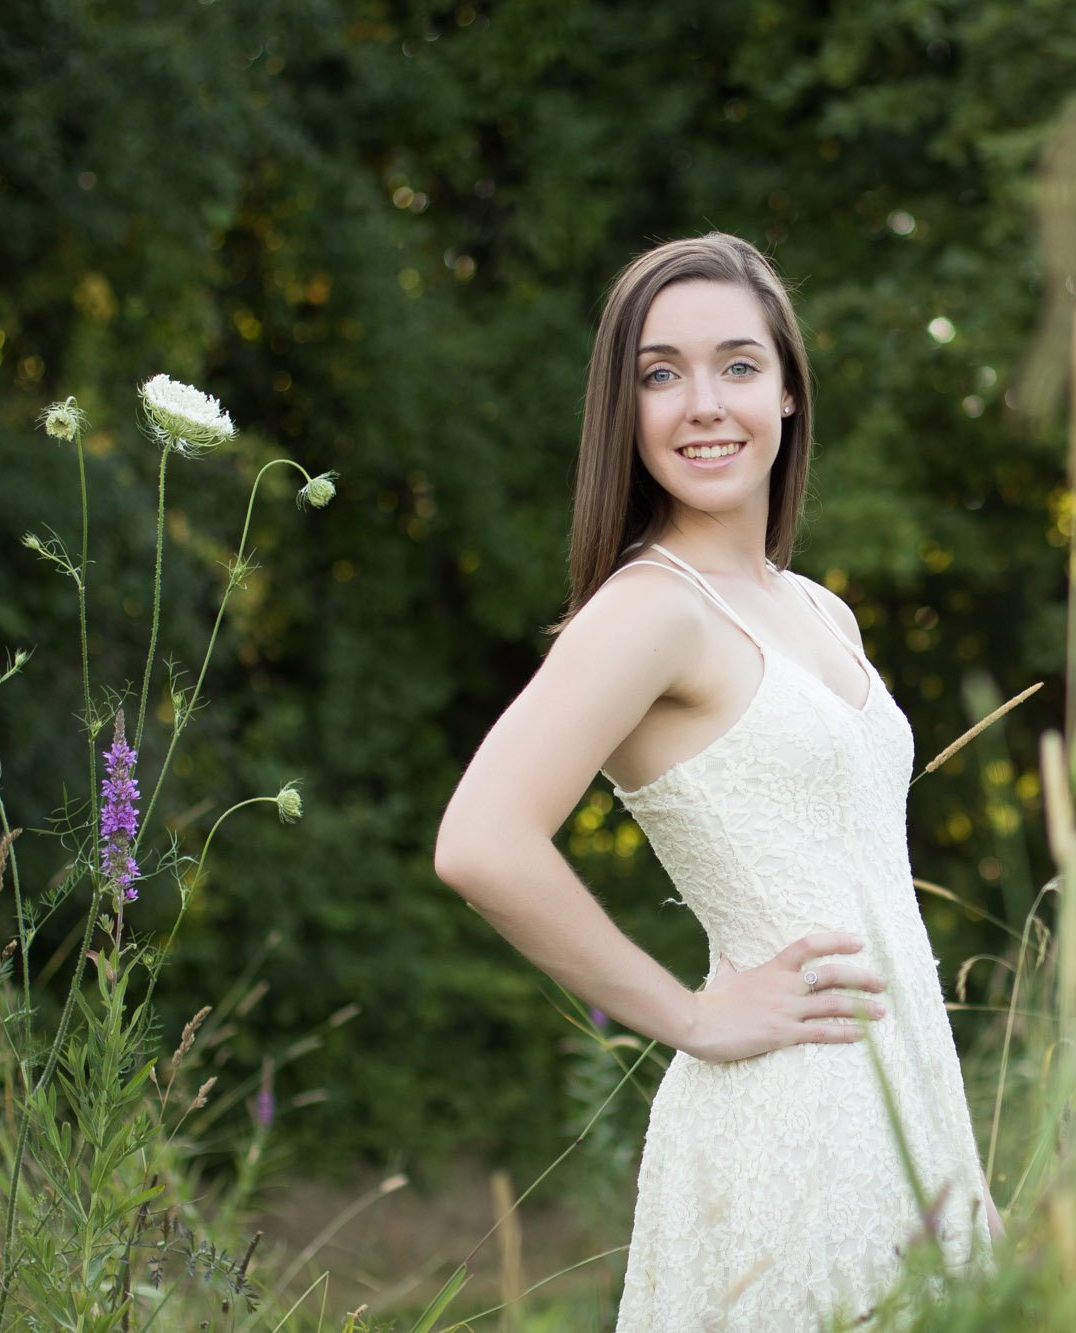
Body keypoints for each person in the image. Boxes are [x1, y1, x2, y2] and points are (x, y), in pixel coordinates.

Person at [434, 232, 1001, 1330]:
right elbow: (482, 840)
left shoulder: (814, 607)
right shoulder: (653, 608)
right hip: (788, 1118)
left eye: (737, 365)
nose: (703, 403)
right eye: (660, 374)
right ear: (625, 412)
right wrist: (688, 1014)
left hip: (909, 1101)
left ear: (787, 392)